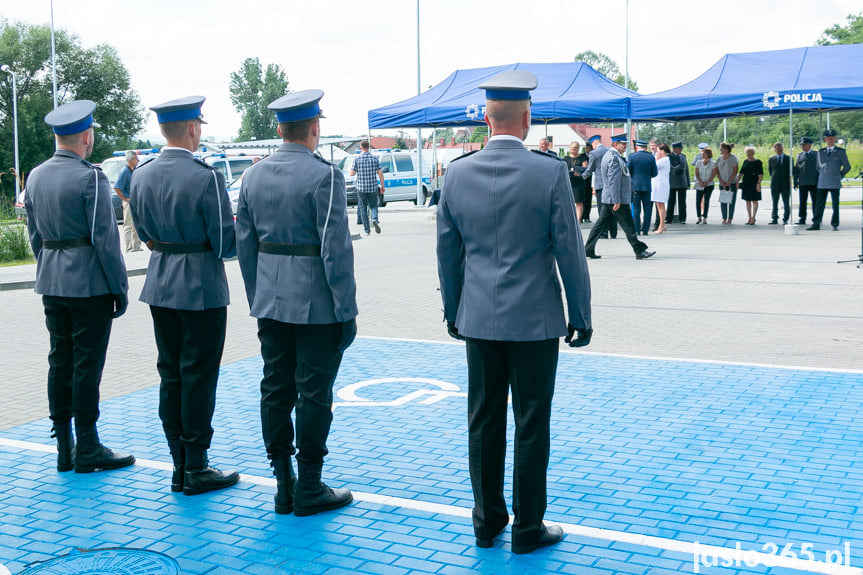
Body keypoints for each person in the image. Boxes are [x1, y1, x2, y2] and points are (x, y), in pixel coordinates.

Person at [437, 70, 592, 555]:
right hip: (536, 321)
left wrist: (453, 310)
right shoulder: (549, 172)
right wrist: (580, 313)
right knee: (531, 422)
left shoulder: (457, 173)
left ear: (486, 118)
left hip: (479, 318)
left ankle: (486, 523)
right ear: (526, 119)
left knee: (483, 421)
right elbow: (570, 249)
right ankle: (528, 528)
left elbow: (448, 253)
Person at [237, 90, 357, 517]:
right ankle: (309, 485)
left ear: (278, 129)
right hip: (317, 304)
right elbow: (335, 250)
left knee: (275, 388)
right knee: (314, 393)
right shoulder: (325, 176)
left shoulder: (252, 177)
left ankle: (283, 483)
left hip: (271, 300)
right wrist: (346, 309)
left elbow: (245, 246)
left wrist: (259, 295)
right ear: (315, 127)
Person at [129, 96, 239, 496]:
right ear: (193, 128)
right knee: (199, 376)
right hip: (201, 286)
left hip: (160, 282)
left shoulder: (139, 175)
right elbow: (225, 243)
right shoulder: (206, 176)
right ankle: (196, 465)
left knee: (170, 373)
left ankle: (179, 462)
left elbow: (143, 234)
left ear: (164, 130)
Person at [23, 100, 134, 474]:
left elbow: (35, 235)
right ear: (86, 137)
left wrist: (50, 265)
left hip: (52, 281)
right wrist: (118, 287)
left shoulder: (35, 176)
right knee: (87, 365)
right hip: (88, 286)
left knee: (60, 361)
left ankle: (64, 447)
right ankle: (88, 445)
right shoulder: (91, 177)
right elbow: (105, 239)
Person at [585, 134, 656, 259]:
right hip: (617, 199)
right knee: (628, 225)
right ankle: (639, 250)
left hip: (611, 198)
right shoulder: (613, 158)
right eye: (623, 144)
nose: (625, 146)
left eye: (625, 144)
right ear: (615, 144)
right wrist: (616, 200)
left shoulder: (613, 156)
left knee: (600, 225)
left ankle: (588, 249)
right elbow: (614, 181)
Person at [808, 129, 851, 231]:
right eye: (828, 138)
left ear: (835, 139)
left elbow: (847, 166)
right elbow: (818, 167)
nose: (830, 139)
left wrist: (840, 175)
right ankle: (816, 223)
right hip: (822, 182)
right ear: (825, 139)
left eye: (832, 138)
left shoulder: (840, 152)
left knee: (835, 204)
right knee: (819, 204)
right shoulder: (820, 152)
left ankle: (835, 223)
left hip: (834, 181)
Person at [582, 135, 616, 238]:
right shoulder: (610, 151)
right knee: (612, 207)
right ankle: (613, 232)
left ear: (594, 143)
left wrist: (582, 176)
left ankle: (604, 233)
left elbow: (590, 168)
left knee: (602, 209)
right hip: (610, 183)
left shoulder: (593, 153)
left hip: (600, 184)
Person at [350, 140, 384, 235]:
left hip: (361, 187)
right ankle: (374, 219)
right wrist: (382, 186)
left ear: (361, 147)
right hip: (372, 187)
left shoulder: (357, 159)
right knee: (373, 205)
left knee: (363, 207)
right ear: (368, 147)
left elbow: (352, 173)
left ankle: (367, 230)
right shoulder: (375, 158)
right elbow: (380, 173)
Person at [627, 139, 657, 235]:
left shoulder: (632, 156)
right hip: (647, 186)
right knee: (647, 208)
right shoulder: (650, 157)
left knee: (636, 209)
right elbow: (655, 173)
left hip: (635, 186)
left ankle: (636, 229)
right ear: (645, 147)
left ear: (637, 147)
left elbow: (628, 171)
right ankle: (645, 230)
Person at [113, 150, 141, 252]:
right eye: (136, 158)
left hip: (136, 200)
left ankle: (137, 246)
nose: (138, 160)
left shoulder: (134, 170)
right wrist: (124, 199)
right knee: (128, 224)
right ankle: (129, 247)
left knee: (137, 224)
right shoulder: (124, 172)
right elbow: (117, 187)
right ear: (131, 160)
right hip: (129, 201)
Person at [794, 137, 818, 225]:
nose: (803, 146)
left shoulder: (816, 154)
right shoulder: (799, 155)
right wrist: (795, 181)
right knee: (802, 201)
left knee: (815, 201)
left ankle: (816, 218)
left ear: (809, 145)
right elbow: (796, 169)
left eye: (804, 145)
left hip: (813, 181)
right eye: (802, 145)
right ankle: (802, 218)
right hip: (803, 182)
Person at [564, 141, 589, 221]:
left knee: (578, 202)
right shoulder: (566, 158)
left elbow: (586, 170)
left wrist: (580, 174)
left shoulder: (582, 158)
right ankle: (569, 219)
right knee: (568, 202)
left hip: (578, 183)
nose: (573, 151)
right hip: (569, 182)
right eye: (572, 149)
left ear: (578, 149)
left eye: (575, 149)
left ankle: (578, 220)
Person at [666, 142, 690, 224]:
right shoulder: (669, 157)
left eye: (681, 148)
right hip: (672, 181)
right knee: (671, 201)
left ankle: (682, 218)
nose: (681, 150)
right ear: (674, 149)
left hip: (682, 181)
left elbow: (686, 170)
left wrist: (688, 181)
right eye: (679, 148)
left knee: (682, 201)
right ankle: (669, 218)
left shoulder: (683, 156)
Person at [768, 142, 791, 225]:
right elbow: (770, 171)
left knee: (786, 202)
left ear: (783, 148)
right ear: (774, 149)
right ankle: (774, 218)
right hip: (775, 184)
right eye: (777, 148)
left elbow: (791, 171)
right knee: (775, 201)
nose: (779, 149)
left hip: (785, 184)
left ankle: (786, 218)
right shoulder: (772, 159)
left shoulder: (788, 158)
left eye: (780, 148)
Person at [739, 146, 763, 225]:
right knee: (747, 200)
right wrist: (737, 181)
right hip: (746, 183)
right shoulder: (745, 161)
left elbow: (760, 174)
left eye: (750, 154)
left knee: (755, 200)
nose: (749, 155)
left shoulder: (758, 162)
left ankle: (753, 217)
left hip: (755, 183)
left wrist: (758, 184)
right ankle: (749, 217)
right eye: (747, 154)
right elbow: (741, 172)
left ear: (753, 153)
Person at [716, 142, 739, 224]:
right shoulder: (719, 159)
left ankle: (730, 218)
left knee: (731, 201)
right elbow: (716, 170)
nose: (720, 150)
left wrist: (729, 181)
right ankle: (724, 217)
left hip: (732, 182)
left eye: (721, 149)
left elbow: (735, 170)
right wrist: (721, 181)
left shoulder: (733, 158)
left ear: (726, 150)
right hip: (722, 183)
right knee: (723, 200)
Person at [694, 147, 717, 224]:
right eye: (702, 154)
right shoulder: (698, 163)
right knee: (698, 201)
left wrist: (707, 182)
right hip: (699, 184)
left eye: (704, 153)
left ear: (708, 154)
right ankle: (698, 217)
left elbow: (713, 174)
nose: (702, 155)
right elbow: (697, 173)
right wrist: (700, 181)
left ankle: (705, 217)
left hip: (709, 184)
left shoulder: (713, 163)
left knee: (706, 201)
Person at [651, 143, 671, 234]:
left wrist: (656, 158)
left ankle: (662, 225)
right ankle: (662, 225)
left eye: (658, 151)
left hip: (661, 185)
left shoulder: (664, 160)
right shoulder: (663, 160)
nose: (656, 153)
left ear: (662, 151)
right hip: (658, 184)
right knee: (659, 205)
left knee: (661, 205)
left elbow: (653, 166)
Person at [581, 141, 594, 223]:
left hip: (590, 181)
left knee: (589, 199)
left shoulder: (593, 156)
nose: (587, 149)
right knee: (582, 199)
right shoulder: (582, 156)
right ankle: (581, 216)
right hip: (582, 181)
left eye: (589, 148)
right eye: (586, 148)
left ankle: (587, 216)